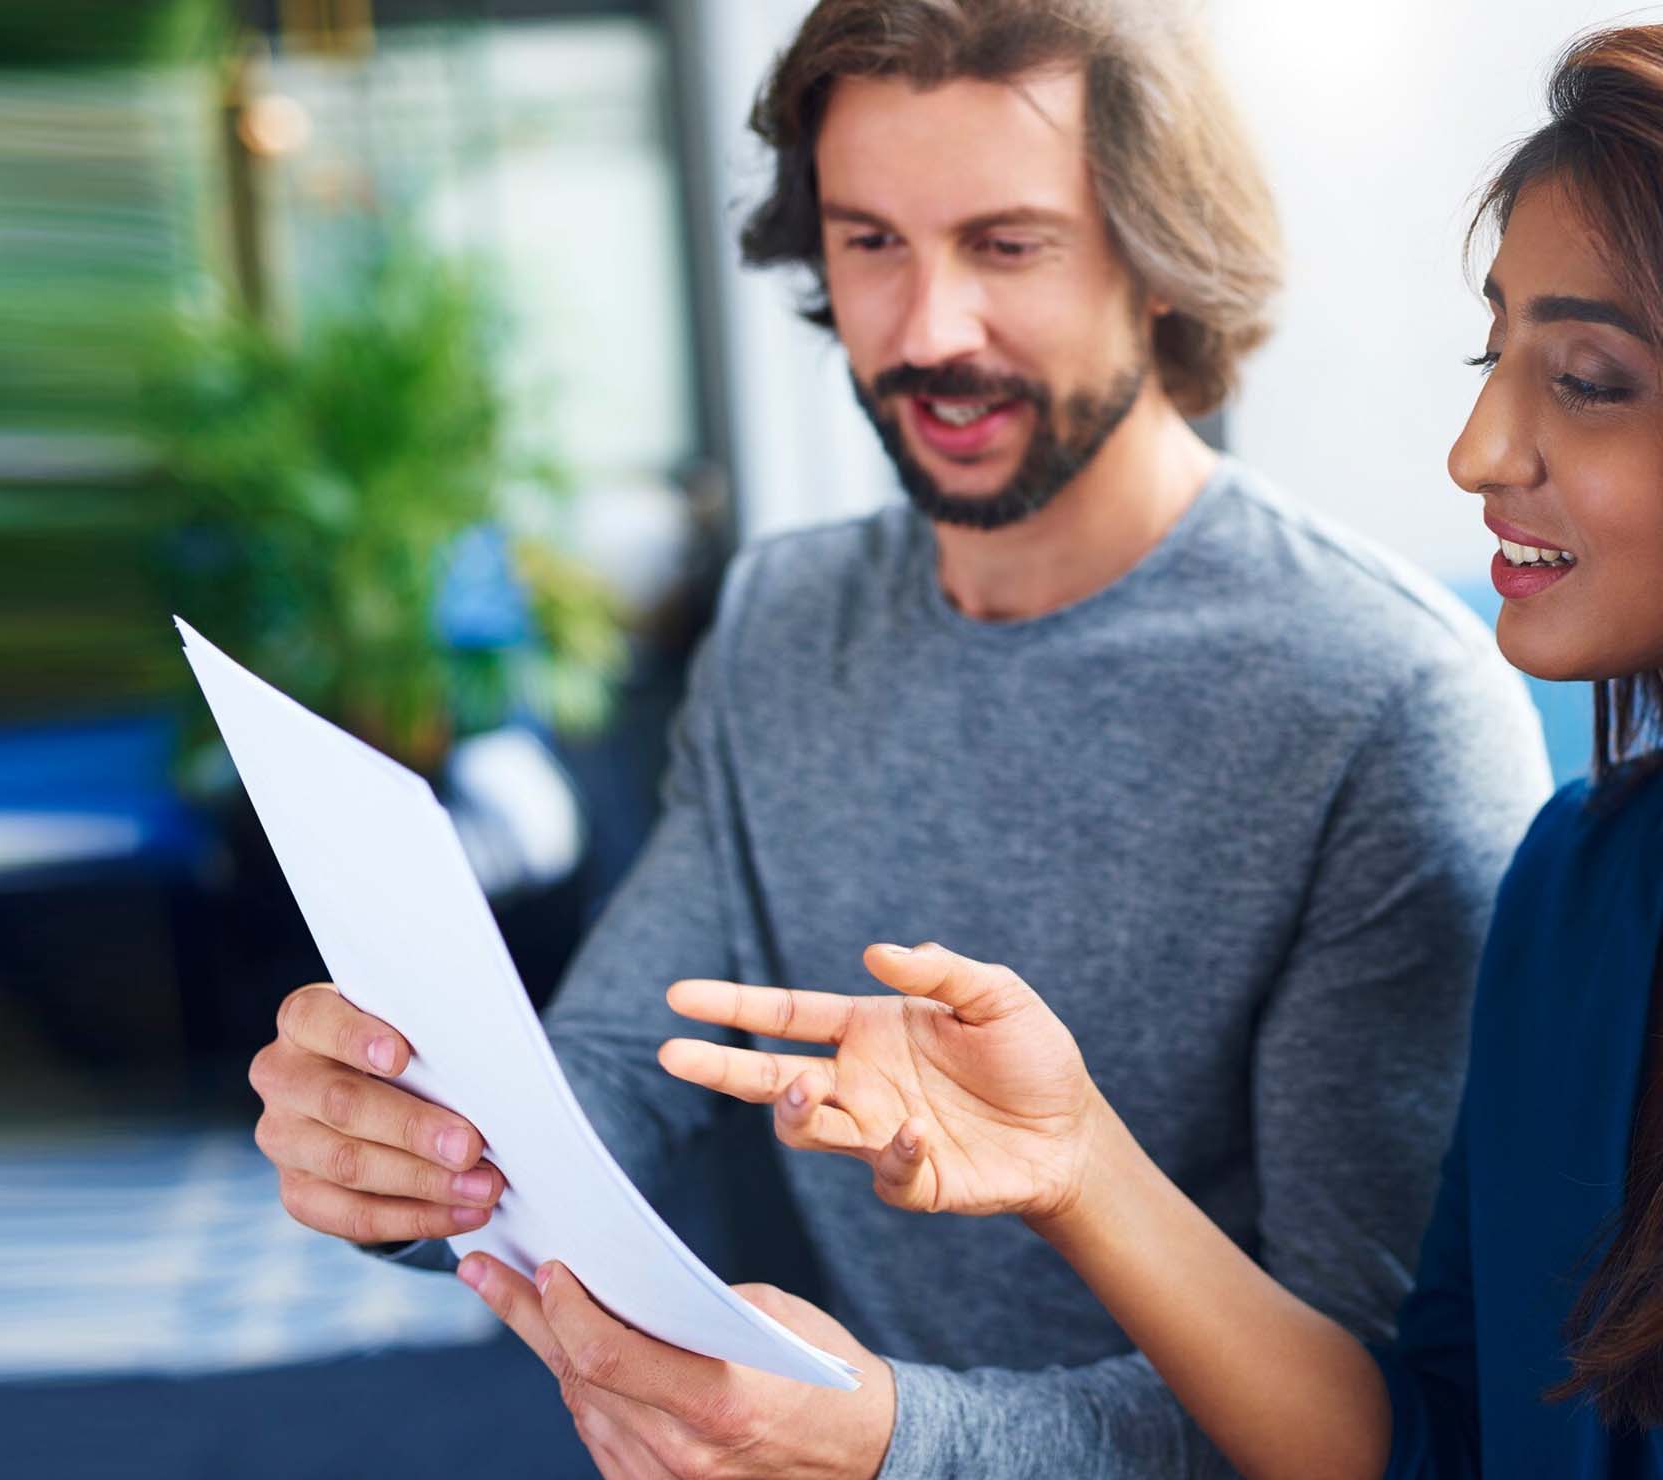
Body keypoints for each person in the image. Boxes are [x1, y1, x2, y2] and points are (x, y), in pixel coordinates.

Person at [246, 2, 1550, 1476]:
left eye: (1008, 245)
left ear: (1161, 259)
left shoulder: (1383, 705)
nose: (927, 332)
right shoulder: (787, 622)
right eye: (871, 243)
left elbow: (1384, 1424)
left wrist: (897, 1443)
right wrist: (406, 1153)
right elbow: (615, 1070)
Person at [654, 24, 1663, 1478]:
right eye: (1492, 353)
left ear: (1156, 261)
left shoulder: (1386, 696)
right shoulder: (1581, 884)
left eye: (1589, 377)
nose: (1475, 452)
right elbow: (1435, 1437)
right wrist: (1077, 1163)